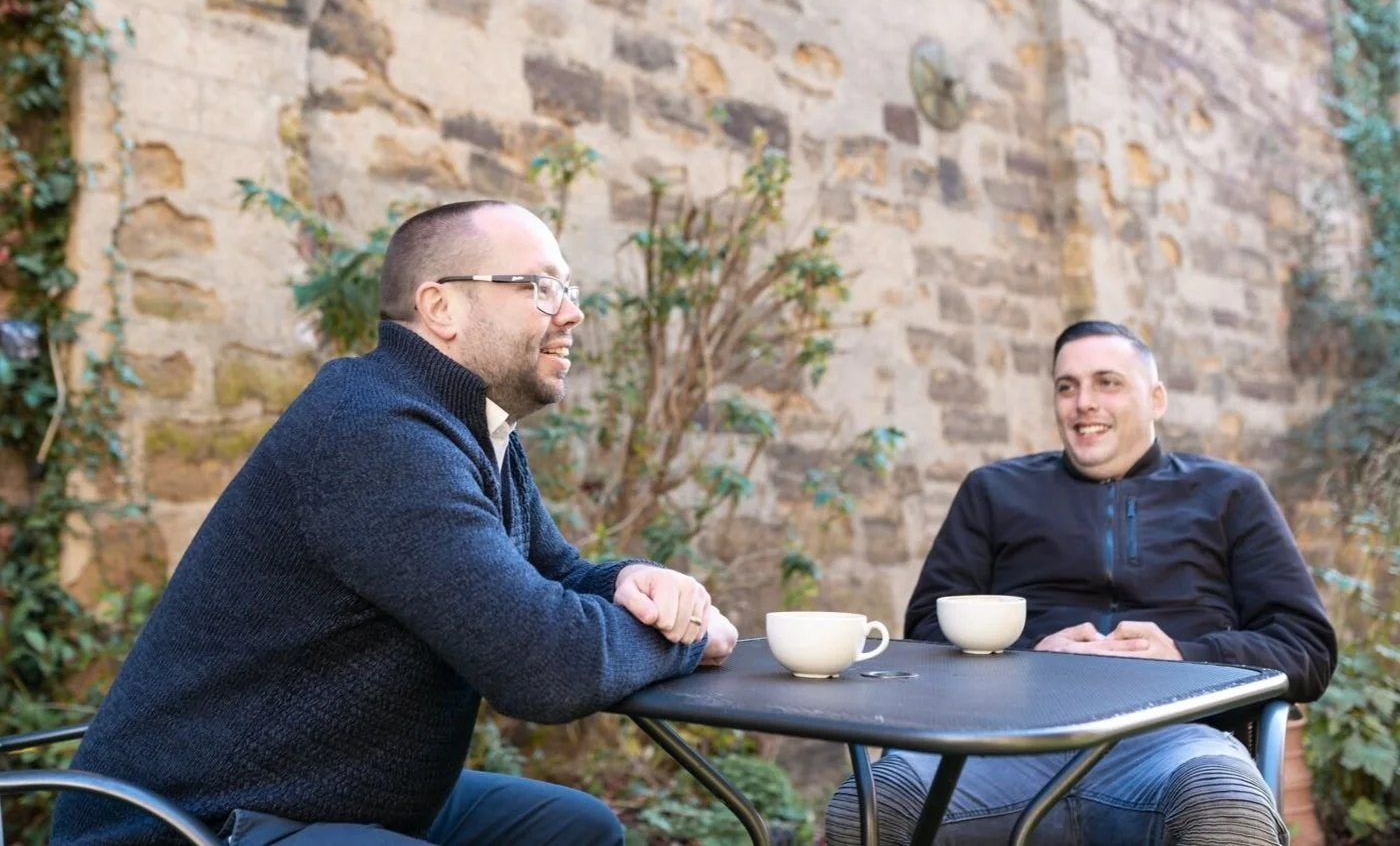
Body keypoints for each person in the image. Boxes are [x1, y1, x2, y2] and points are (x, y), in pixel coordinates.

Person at [52, 200, 739, 846]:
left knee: (575, 828)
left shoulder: (465, 426)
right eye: (539, 287)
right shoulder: (374, 434)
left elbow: (554, 574)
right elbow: (543, 666)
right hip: (195, 821)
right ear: (440, 306)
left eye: (567, 289)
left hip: (328, 796)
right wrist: (688, 637)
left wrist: (636, 581)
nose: (571, 312)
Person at [824, 320, 1336, 846]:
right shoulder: (993, 493)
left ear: (1156, 399)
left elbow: (1307, 648)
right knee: (870, 807)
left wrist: (1187, 656)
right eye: (1067, 386)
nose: (1083, 402)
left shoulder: (1230, 495)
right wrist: (1029, 659)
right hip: (1003, 747)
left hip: (1173, 749)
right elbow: (928, 635)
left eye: (1107, 382)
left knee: (1225, 805)